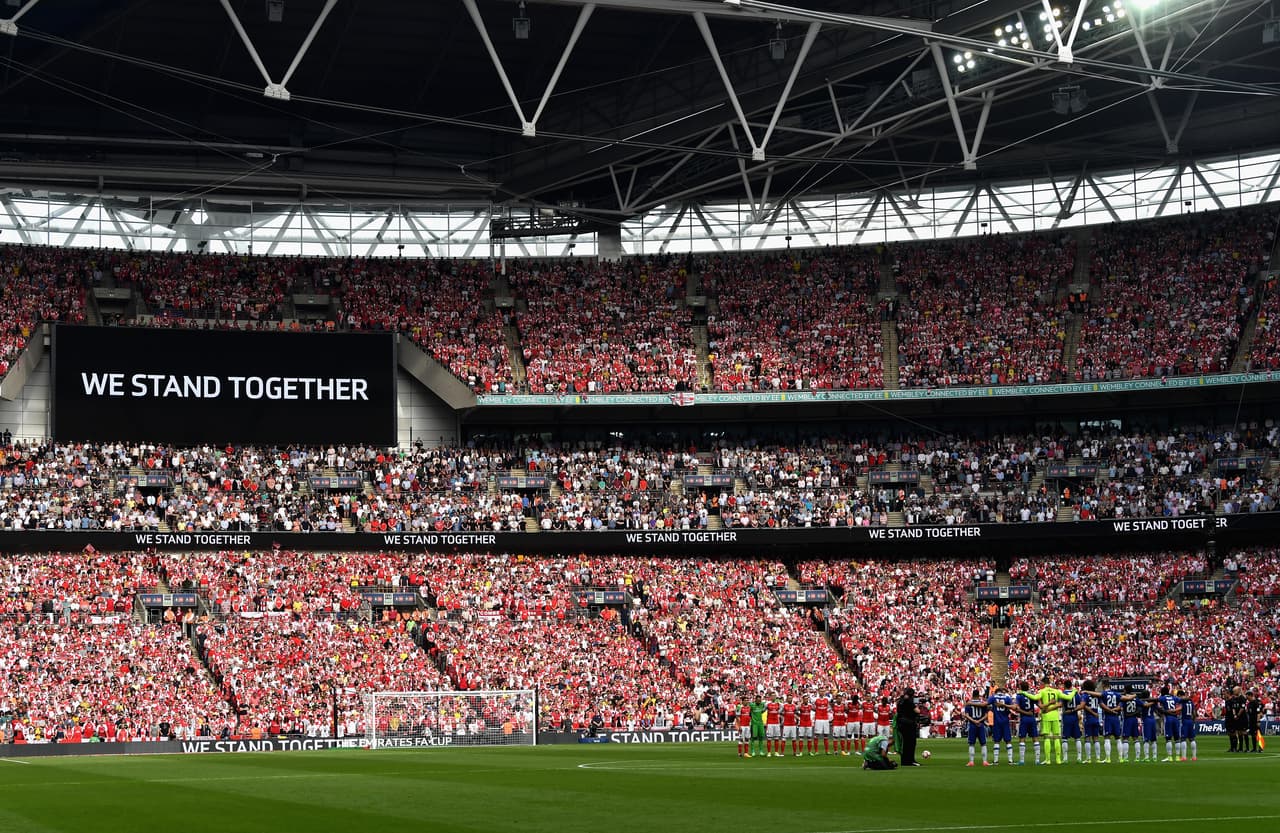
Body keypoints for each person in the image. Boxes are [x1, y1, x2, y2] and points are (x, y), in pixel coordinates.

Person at [988, 684, 1016, 765]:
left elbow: (986, 704)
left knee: (996, 741)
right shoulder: (1007, 697)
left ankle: (996, 761)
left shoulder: (993, 697)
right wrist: (1005, 705)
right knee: (1008, 741)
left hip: (997, 721)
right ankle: (1010, 761)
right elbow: (1014, 707)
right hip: (1005, 721)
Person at [1014, 681, 1041, 766]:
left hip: (1024, 719)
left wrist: (1025, 712)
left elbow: (1017, 708)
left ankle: (1022, 761)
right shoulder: (1032, 695)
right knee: (1035, 738)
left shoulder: (1019, 696)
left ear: (1020, 687)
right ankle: (1037, 760)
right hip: (1032, 718)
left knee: (1022, 739)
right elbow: (1040, 705)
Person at [962, 690, 991, 767]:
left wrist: (974, 721)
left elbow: (966, 715)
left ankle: (971, 762)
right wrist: (979, 721)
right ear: (979, 695)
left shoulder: (969, 704)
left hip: (972, 725)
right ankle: (985, 761)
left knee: (971, 744)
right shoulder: (982, 703)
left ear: (972, 695)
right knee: (983, 744)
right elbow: (986, 715)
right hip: (981, 725)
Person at [895, 687, 921, 766]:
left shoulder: (899, 701)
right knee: (911, 743)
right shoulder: (909, 701)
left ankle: (904, 760)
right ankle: (910, 760)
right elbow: (917, 711)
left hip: (901, 724)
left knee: (905, 743)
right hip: (909, 724)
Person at [1156, 686, 1182, 762]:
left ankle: (1169, 757)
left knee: (1168, 738)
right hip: (1175, 718)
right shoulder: (1174, 697)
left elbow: (1156, 701)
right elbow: (1181, 701)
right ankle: (1177, 757)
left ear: (1163, 692)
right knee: (1177, 738)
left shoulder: (1163, 698)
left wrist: (1161, 710)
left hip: (1168, 718)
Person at [1178, 688, 1198, 761]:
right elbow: (1194, 713)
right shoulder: (1190, 701)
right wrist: (1193, 721)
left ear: (1180, 695)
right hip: (1190, 720)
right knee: (1192, 739)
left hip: (1184, 721)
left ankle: (1183, 757)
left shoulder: (1182, 702)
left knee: (1183, 739)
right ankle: (1194, 757)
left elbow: (1179, 709)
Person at [1225, 686, 1247, 753]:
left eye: (1235, 691)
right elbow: (1233, 708)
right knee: (1231, 733)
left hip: (1237, 718)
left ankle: (1238, 747)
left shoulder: (1239, 699)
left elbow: (1241, 708)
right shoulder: (1230, 700)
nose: (1224, 694)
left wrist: (1236, 715)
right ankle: (1233, 747)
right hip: (1230, 718)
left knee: (1237, 733)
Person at [748, 694, 767, 758]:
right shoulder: (752, 705)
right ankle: (753, 751)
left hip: (761, 723)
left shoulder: (762, 704)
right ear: (755, 700)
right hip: (754, 724)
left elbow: (764, 709)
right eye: (758, 700)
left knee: (761, 737)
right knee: (753, 738)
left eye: (760, 700)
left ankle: (761, 751)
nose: (759, 701)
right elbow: (748, 711)